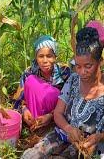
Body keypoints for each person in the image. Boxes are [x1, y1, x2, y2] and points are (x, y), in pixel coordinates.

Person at [21, 27, 104, 158]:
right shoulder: (73, 80)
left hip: (89, 145)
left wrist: (99, 137)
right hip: (63, 133)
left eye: (88, 66)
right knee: (29, 156)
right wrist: (69, 129)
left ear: (100, 62)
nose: (82, 72)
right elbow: (58, 113)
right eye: (78, 66)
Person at [13, 35, 71, 130]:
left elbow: (71, 100)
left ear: (55, 57)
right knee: (31, 81)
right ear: (36, 58)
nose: (45, 61)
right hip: (33, 118)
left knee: (53, 93)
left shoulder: (64, 72)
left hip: (56, 116)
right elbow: (18, 99)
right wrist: (24, 110)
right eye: (41, 56)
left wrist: (51, 115)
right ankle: (35, 125)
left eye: (49, 56)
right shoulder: (29, 73)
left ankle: (49, 126)